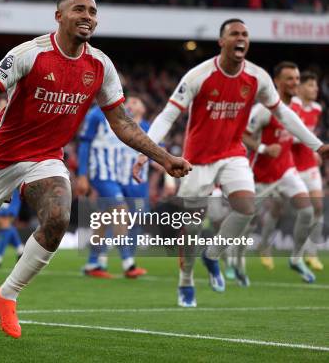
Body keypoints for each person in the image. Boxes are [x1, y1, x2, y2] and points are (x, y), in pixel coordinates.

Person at [0, 0, 191, 342]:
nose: (87, 16)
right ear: (59, 16)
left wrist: (164, 159)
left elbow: (122, 122)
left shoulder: (101, 66)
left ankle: (6, 295)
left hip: (46, 157)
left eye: (92, 11)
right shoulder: (29, 54)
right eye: (79, 9)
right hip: (0, 156)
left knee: (58, 219)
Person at [133, 19, 328, 307]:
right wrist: (145, 151)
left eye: (245, 34)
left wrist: (317, 144)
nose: (241, 38)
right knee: (192, 228)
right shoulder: (199, 75)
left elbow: (285, 115)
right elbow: (167, 115)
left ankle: (212, 255)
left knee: (247, 208)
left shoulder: (257, 77)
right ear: (222, 42)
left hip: (233, 153)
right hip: (196, 159)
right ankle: (185, 281)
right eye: (234, 34)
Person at [242, 61, 316, 284]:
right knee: (246, 222)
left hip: (286, 170)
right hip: (260, 175)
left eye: (297, 78)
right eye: (290, 78)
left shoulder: (297, 108)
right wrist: (264, 148)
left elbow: (295, 135)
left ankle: (296, 258)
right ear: (277, 82)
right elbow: (243, 135)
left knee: (307, 211)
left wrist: (314, 150)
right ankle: (237, 262)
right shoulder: (263, 109)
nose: (295, 83)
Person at [77, 95, 148, 279]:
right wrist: (82, 175)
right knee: (121, 212)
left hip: (115, 176)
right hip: (100, 173)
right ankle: (128, 263)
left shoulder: (121, 115)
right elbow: (84, 143)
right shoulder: (95, 115)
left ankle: (93, 263)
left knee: (103, 219)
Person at [292, 71, 325, 271]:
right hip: (290, 167)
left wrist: (315, 151)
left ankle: (310, 253)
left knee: (317, 207)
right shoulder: (291, 106)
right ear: (301, 87)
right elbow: (291, 136)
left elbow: (310, 134)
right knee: (280, 209)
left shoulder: (317, 109)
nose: (316, 89)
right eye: (312, 85)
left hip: (309, 165)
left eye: (316, 85)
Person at [0, 189, 24, 268]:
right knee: (5, 226)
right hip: (3, 193)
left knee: (5, 225)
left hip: (12, 195)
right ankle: (20, 249)